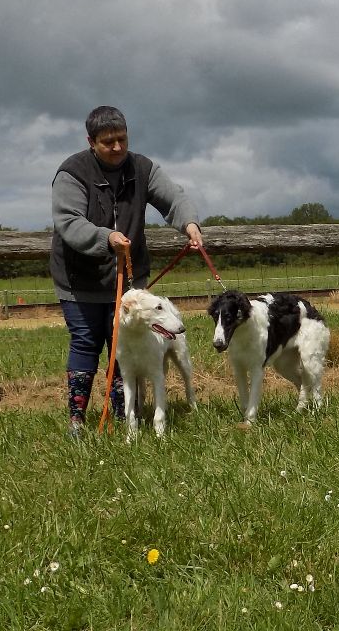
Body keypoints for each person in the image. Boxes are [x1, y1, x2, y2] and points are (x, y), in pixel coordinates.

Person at [50, 106, 203, 437]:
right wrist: (105, 237)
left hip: (131, 282)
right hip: (80, 279)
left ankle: (124, 416)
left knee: (123, 343)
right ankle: (77, 419)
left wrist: (188, 223)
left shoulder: (142, 168)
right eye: (108, 142)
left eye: (122, 139)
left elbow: (174, 198)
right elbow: (69, 222)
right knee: (86, 341)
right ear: (91, 141)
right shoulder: (72, 173)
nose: (117, 147)